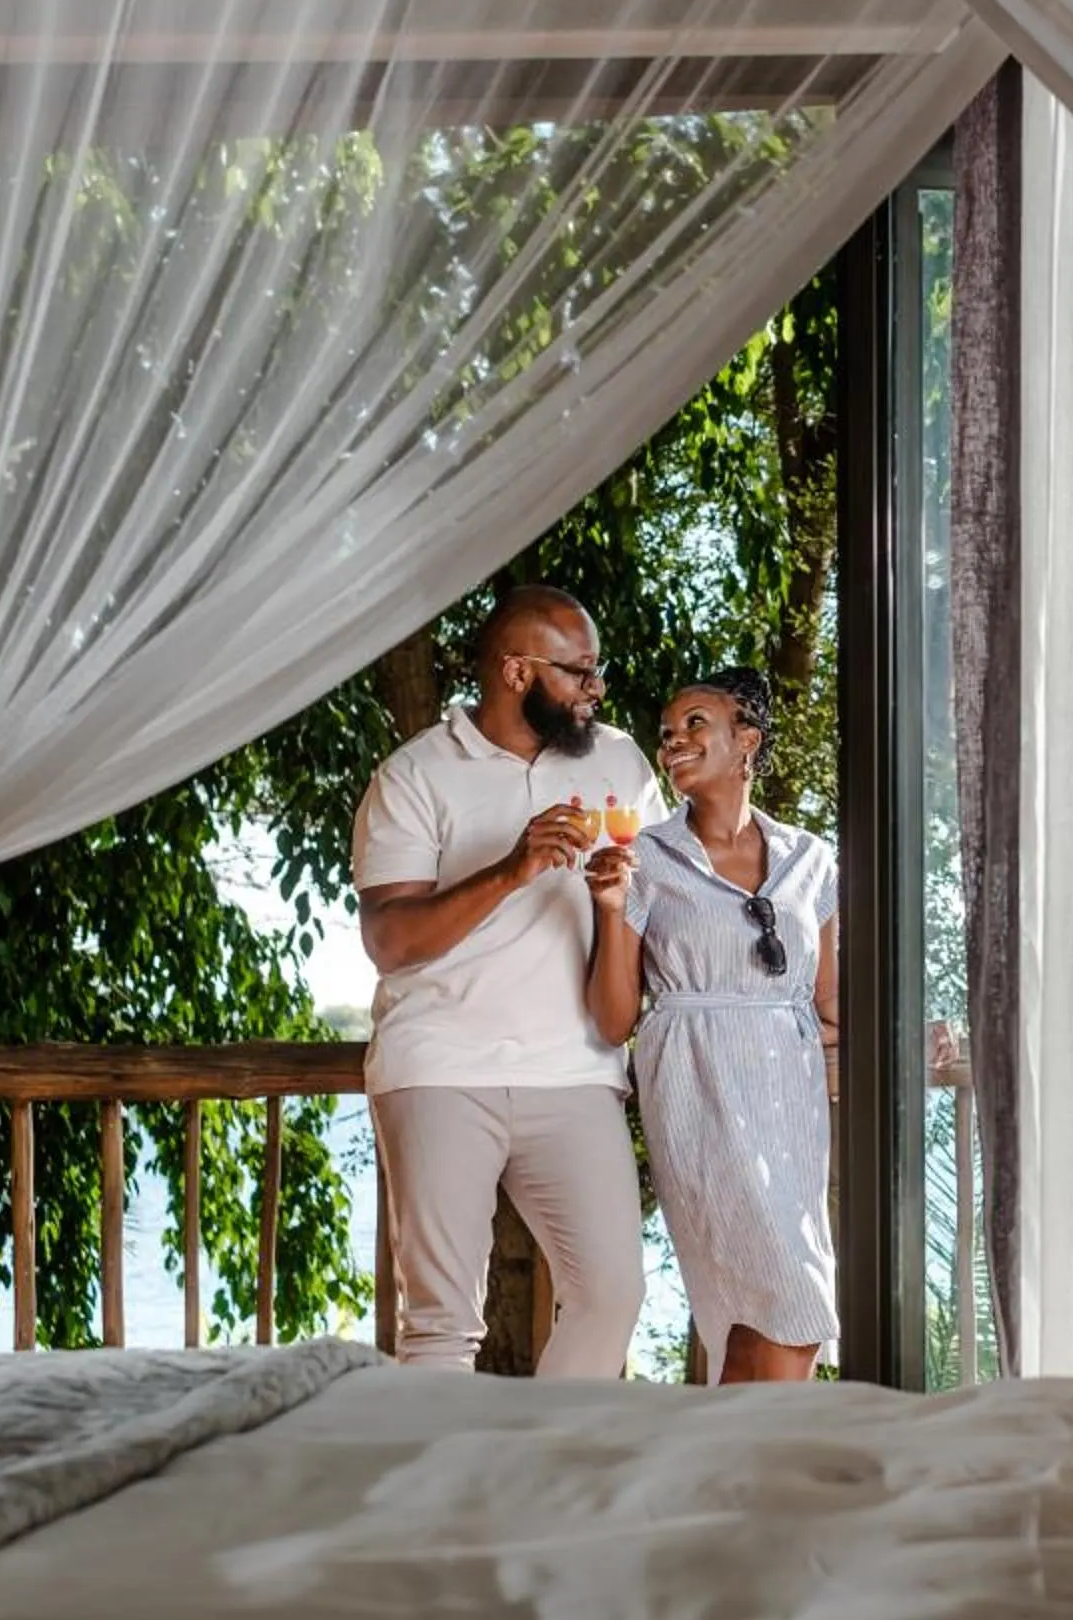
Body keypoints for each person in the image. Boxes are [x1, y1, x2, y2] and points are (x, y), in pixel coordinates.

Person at [351, 584, 664, 1374]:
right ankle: (444, 1499)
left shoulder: (621, 762)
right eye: (579, 672)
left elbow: (664, 906)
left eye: (597, 672)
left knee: (612, 1294)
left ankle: (539, 1481)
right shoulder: (414, 776)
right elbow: (390, 939)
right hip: (441, 1066)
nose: (596, 689)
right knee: (439, 1328)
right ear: (517, 671)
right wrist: (512, 869)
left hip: (577, 1072)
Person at [585, 668, 841, 1384]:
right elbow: (612, 1021)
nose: (673, 741)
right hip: (697, 1089)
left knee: (775, 1312)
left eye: (695, 724)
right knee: (788, 1303)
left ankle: (734, 1478)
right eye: (667, 734)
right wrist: (609, 908)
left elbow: (833, 1005)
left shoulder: (810, 860)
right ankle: (745, 1481)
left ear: (746, 742)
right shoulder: (645, 861)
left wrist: (921, 1035)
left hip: (790, 1104)